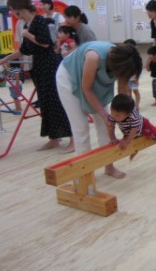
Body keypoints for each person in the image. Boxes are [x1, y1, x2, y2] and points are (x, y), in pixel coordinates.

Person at [0, 0, 73, 152]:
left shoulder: (39, 21)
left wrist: (27, 35)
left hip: (50, 65)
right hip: (39, 67)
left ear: (18, 8)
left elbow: (46, 43)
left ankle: (73, 139)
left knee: (57, 102)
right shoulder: (26, 25)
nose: (12, 13)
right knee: (45, 103)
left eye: (12, 9)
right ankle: (53, 138)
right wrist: (5, 59)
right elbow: (23, 50)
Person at [56, 41, 142, 179]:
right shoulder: (94, 57)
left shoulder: (123, 63)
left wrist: (126, 118)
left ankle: (109, 167)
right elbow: (87, 89)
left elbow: (122, 94)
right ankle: (85, 174)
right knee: (81, 127)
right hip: (69, 77)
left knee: (105, 125)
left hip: (92, 82)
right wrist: (104, 114)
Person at [107, 94, 156, 161]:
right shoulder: (114, 114)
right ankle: (134, 150)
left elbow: (134, 130)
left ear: (128, 114)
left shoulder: (133, 117)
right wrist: (113, 138)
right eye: (112, 112)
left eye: (117, 115)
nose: (114, 116)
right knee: (126, 144)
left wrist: (127, 142)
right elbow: (111, 127)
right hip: (127, 130)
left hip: (143, 126)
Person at [124, 39, 141, 107]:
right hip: (127, 78)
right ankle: (131, 105)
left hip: (133, 78)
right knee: (128, 93)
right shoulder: (125, 56)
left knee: (136, 92)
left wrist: (136, 79)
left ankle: (136, 105)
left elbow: (138, 69)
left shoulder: (135, 57)